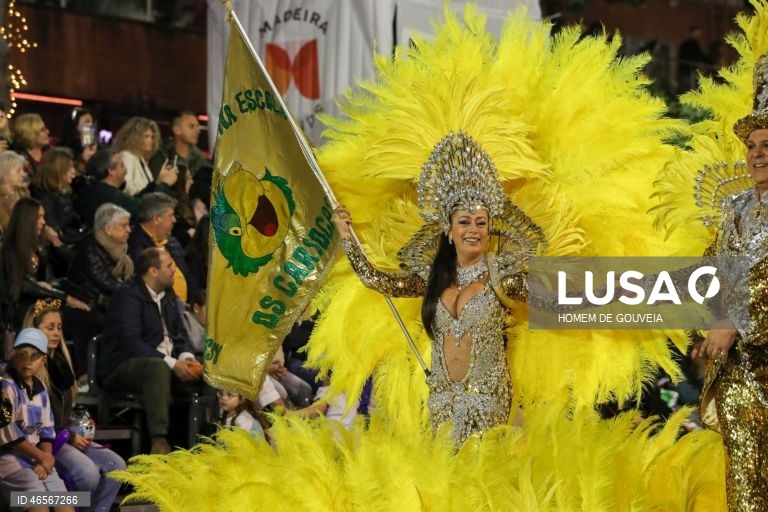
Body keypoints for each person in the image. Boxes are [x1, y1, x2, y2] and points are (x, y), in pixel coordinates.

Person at [333, 131, 546, 444]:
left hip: (487, 403)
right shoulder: (432, 279)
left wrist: (638, 291)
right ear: (449, 230)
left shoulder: (503, 277)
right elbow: (374, 279)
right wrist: (346, 235)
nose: (473, 230)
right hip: (442, 402)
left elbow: (567, 296)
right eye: (464, 222)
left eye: (481, 223)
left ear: (489, 229)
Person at [690, 53, 768, 511]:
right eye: (752, 145)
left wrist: (735, 319)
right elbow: (709, 270)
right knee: (744, 481)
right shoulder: (732, 209)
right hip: (738, 369)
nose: (757, 154)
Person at [23, 299, 126, 512]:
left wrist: (78, 425)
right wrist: (68, 435)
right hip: (39, 443)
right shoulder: (26, 369)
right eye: (49, 328)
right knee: (87, 474)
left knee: (116, 466)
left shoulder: (61, 363)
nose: (56, 333)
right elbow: (33, 421)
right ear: (33, 330)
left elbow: (63, 412)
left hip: (61, 437)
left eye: (59, 328)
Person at [99, 247, 202, 455]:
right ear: (153, 272)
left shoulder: (169, 295)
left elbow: (179, 335)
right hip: (123, 365)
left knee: (208, 372)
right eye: (169, 265)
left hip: (165, 363)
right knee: (158, 367)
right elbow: (132, 343)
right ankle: (159, 441)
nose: (175, 270)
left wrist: (187, 358)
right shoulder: (127, 296)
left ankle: (204, 441)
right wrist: (172, 363)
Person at [0, 328, 74, 512]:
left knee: (65, 504)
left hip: (36, 458)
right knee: (38, 505)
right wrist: (44, 458)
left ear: (43, 360)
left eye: (34, 356)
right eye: (22, 355)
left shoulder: (40, 388)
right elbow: (10, 438)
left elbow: (46, 432)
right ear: (14, 356)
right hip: (10, 459)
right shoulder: (6, 387)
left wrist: (46, 460)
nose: (27, 362)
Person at [77, 148, 177, 227]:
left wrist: (157, 183)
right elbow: (144, 208)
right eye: (122, 165)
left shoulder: (100, 190)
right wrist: (165, 184)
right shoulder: (108, 194)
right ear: (111, 171)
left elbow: (136, 200)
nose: (126, 170)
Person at [128, 192, 198, 303]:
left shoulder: (172, 241)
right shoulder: (136, 246)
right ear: (157, 219)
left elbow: (188, 275)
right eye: (171, 215)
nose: (174, 220)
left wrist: (198, 301)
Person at [68, 203, 133, 310]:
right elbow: (105, 282)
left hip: (110, 301)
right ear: (108, 229)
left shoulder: (121, 247)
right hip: (89, 305)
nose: (129, 230)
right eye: (124, 225)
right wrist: (135, 291)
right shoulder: (89, 248)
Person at [148, 111, 209, 177]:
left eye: (198, 126)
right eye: (192, 126)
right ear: (176, 130)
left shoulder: (199, 157)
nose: (198, 131)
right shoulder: (162, 154)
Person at [113, 117, 162, 196]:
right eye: (146, 136)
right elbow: (126, 186)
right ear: (135, 137)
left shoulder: (140, 159)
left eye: (152, 137)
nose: (151, 140)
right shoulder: (127, 157)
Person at [0, 150, 28, 241]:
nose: (23, 174)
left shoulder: (24, 193)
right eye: (18, 170)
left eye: (23, 170)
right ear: (4, 173)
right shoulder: (1, 200)